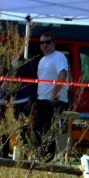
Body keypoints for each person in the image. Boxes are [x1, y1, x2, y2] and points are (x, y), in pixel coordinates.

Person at [34, 31, 70, 160]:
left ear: (53, 43)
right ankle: (44, 158)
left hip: (56, 101)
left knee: (58, 131)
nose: (44, 45)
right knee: (41, 130)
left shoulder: (59, 57)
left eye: (47, 42)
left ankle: (59, 159)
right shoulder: (42, 61)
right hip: (42, 101)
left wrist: (54, 94)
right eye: (42, 42)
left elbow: (62, 75)